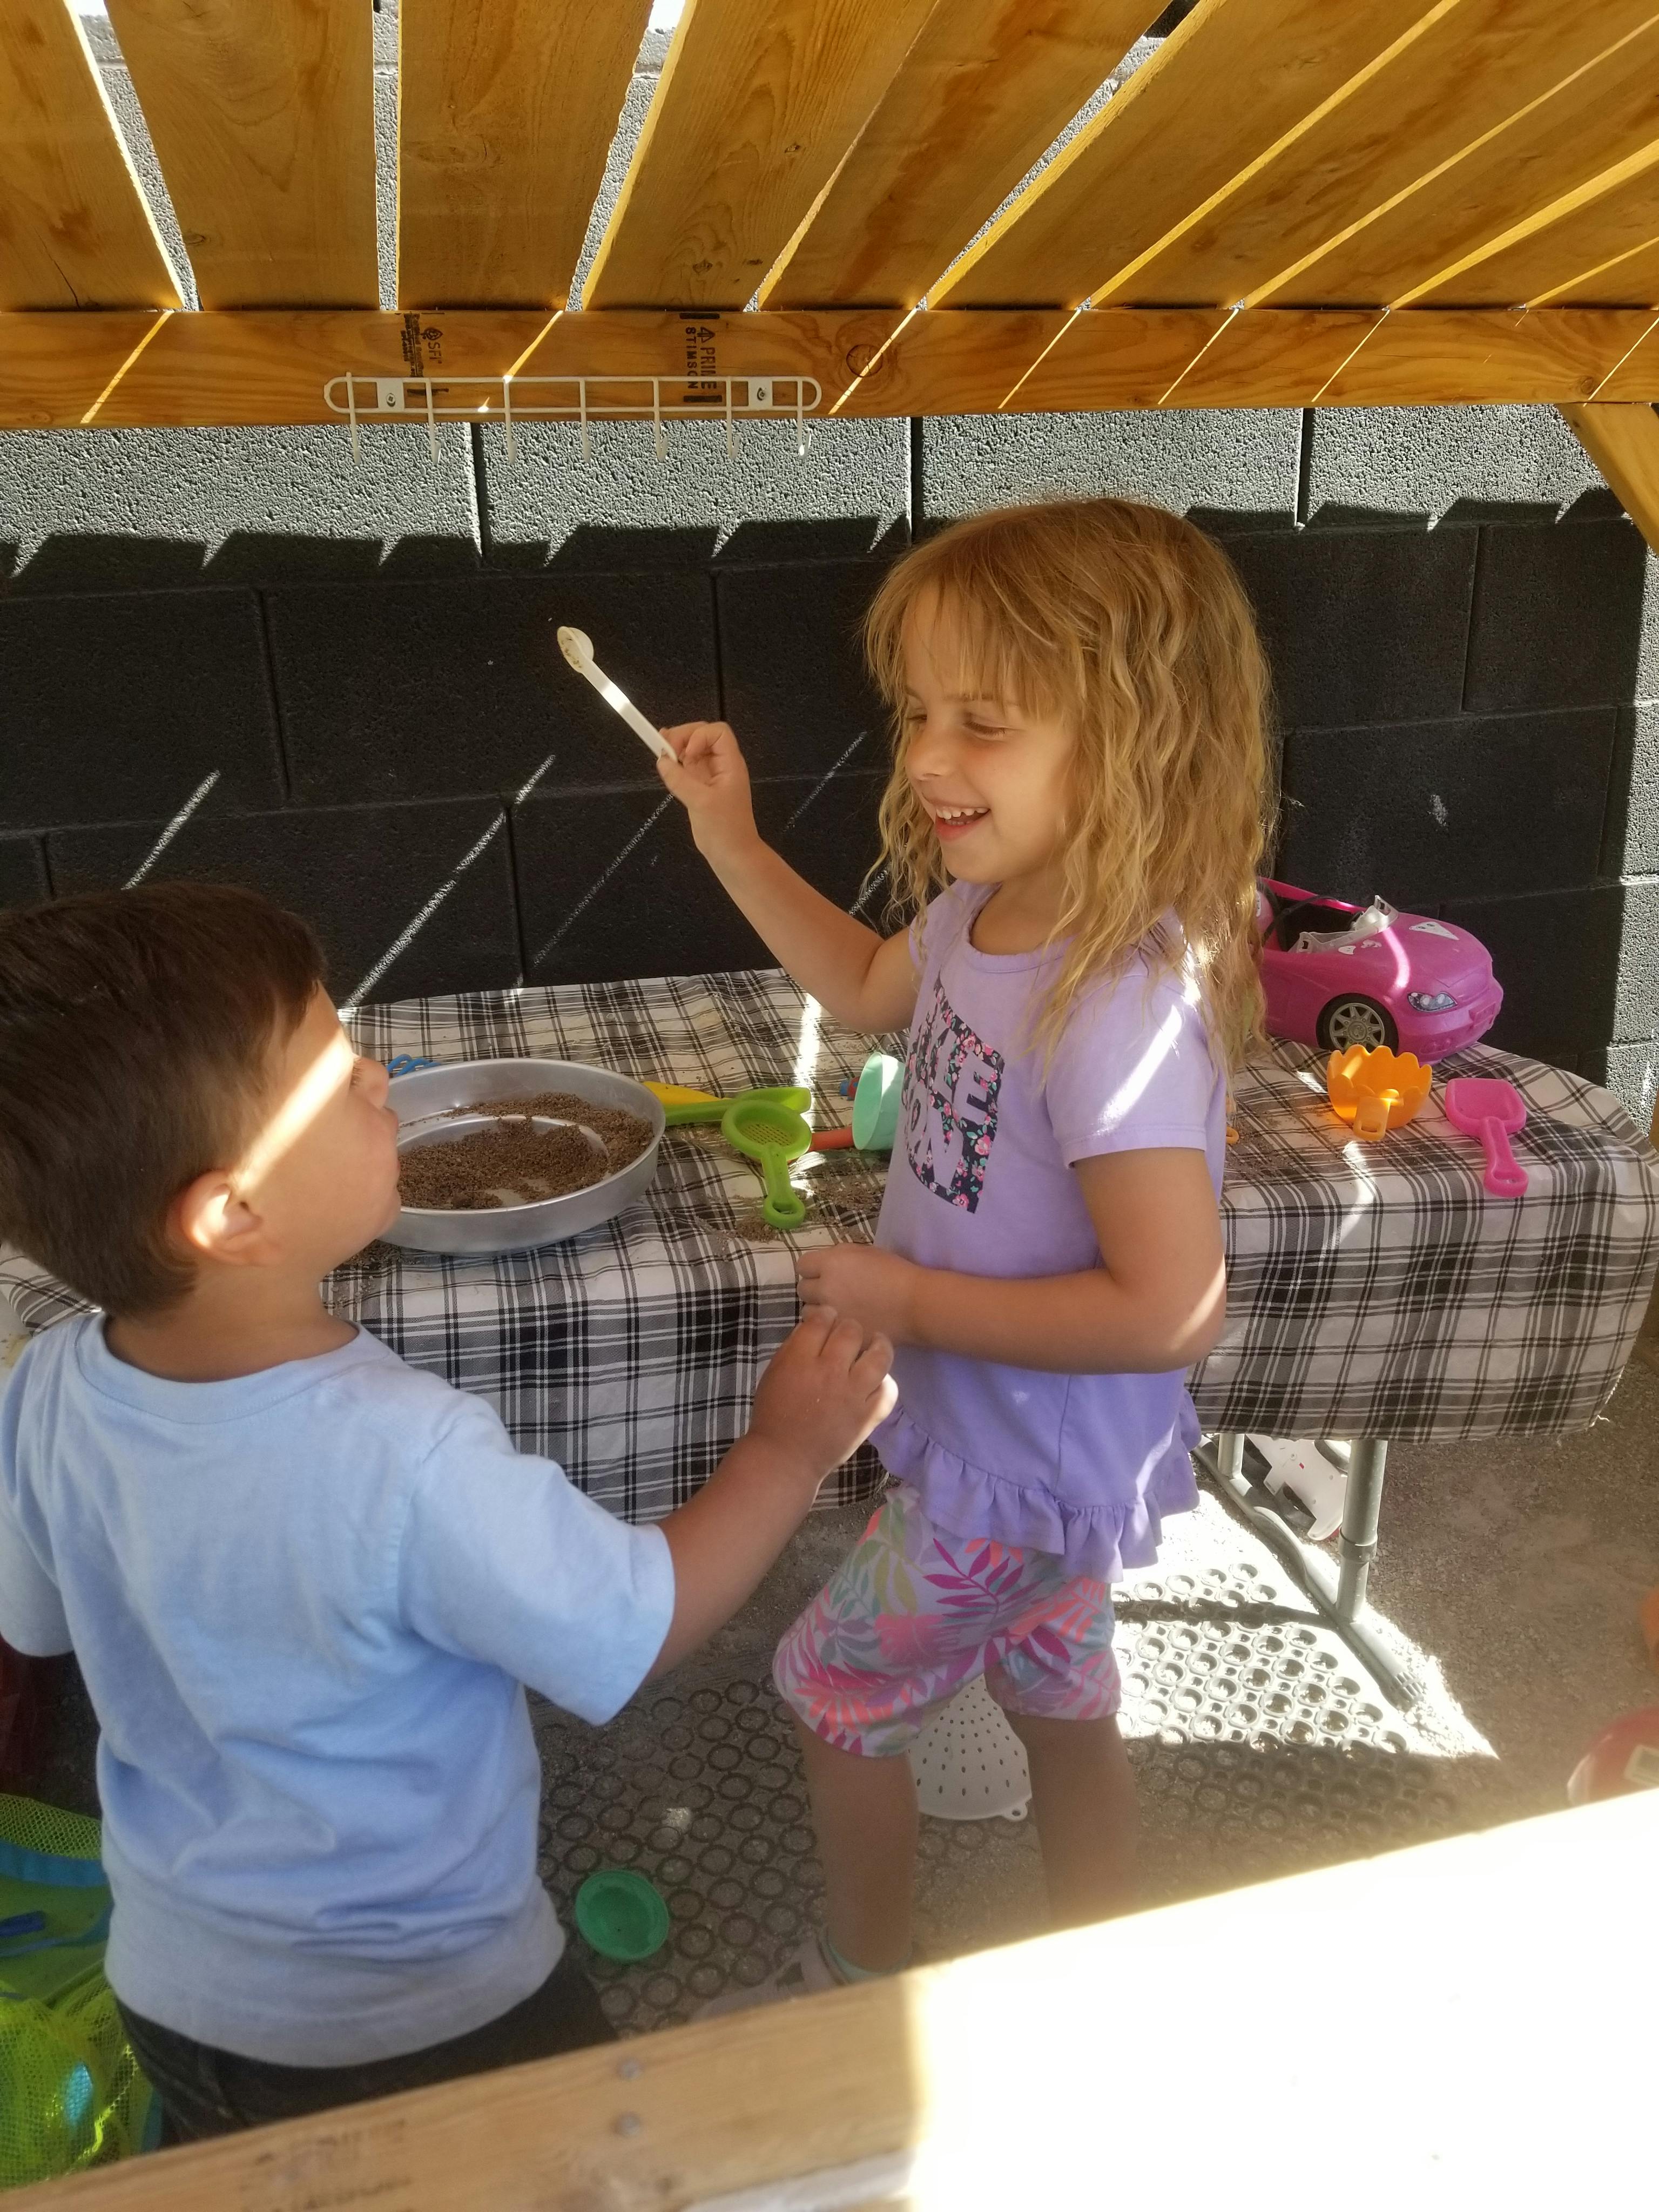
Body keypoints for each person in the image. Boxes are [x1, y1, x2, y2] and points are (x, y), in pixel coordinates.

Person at [0, 882, 895, 2136]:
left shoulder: (44, 1381)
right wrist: (788, 1449)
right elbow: (642, 1621)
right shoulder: (407, 1455)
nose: (380, 1079)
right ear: (231, 1213)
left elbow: (36, 1623)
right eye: (338, 1075)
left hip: (172, 1985)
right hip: (421, 2015)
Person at [656, 495, 1271, 2000]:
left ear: (1137, 741)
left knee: (830, 1686)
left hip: (1024, 1456)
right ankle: (1104, 1960)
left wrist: (906, 1295)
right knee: (1060, 1690)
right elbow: (864, 986)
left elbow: (1172, 1308)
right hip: (1019, 1445)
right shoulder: (985, 913)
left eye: (983, 722)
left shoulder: (1116, 999)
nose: (929, 758)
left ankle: (857, 1976)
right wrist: (729, 839)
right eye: (919, 713)